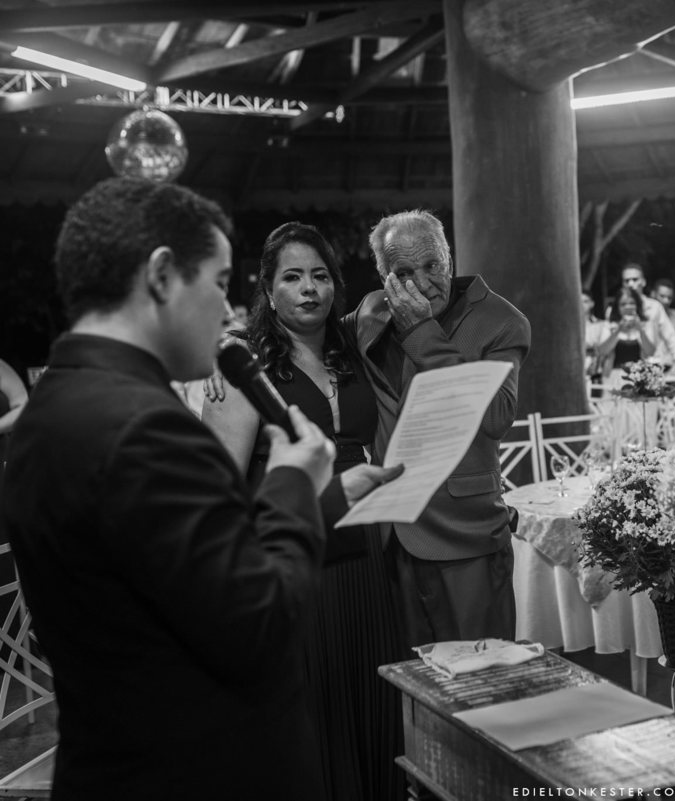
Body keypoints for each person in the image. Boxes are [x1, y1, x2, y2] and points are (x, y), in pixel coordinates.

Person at [0, 177, 391, 801]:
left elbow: (188, 569)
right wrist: (292, 478)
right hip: (188, 766)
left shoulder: (51, 409)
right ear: (162, 276)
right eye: (217, 282)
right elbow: (254, 620)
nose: (227, 310)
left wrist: (326, 500)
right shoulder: (143, 429)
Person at [201, 222, 408, 801]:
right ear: (268, 291)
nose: (309, 289)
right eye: (292, 278)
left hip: (366, 549)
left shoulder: (353, 349)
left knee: (371, 692)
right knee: (316, 704)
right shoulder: (245, 369)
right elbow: (220, 489)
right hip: (298, 546)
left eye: (320, 276)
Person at [345, 209, 530, 646]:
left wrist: (423, 332)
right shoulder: (370, 313)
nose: (424, 283)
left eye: (432, 265)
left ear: (450, 257)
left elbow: (496, 417)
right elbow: (306, 342)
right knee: (412, 676)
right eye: (404, 273)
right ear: (384, 278)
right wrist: (244, 344)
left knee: (481, 673)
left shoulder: (501, 321)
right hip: (391, 536)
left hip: (466, 536)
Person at [618, 264, 675, 374]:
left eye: (635, 279)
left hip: (650, 370)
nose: (630, 284)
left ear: (643, 282)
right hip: (621, 371)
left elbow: (671, 338)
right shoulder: (613, 310)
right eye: (626, 281)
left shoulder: (655, 307)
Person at [593, 286, 655, 387]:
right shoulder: (609, 325)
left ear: (637, 304)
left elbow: (650, 352)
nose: (628, 307)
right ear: (617, 306)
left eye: (632, 303)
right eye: (623, 304)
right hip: (614, 377)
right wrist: (618, 330)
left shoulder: (645, 324)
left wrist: (640, 329)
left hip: (639, 377)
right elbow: (602, 351)